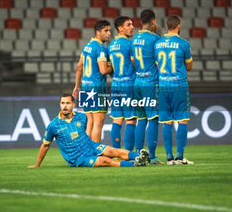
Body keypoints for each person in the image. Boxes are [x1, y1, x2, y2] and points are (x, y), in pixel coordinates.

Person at [28, 94, 150, 168]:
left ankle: (141, 157)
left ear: (73, 104)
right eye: (62, 103)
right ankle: (135, 164)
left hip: (90, 146)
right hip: (78, 158)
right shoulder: (53, 125)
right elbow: (45, 145)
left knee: (113, 150)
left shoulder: (82, 117)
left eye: (68, 103)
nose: (65, 106)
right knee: (105, 160)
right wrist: (37, 164)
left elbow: (84, 132)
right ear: (60, 104)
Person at [154, 15, 194, 165]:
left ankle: (169, 158)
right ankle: (180, 157)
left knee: (167, 122)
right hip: (179, 86)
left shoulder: (157, 44)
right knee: (182, 120)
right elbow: (189, 67)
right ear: (178, 26)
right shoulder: (183, 43)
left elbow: (158, 64)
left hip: (163, 86)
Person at [73, 20, 113, 143]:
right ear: (97, 32)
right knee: (98, 123)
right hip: (97, 88)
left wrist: (77, 85)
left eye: (109, 30)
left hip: (86, 87)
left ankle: (86, 152)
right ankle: (96, 153)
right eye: (106, 31)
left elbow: (79, 67)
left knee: (89, 122)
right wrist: (113, 66)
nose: (109, 33)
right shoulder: (101, 48)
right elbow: (103, 70)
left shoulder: (87, 46)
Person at [131, 10, 162, 164]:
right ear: (153, 21)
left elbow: (133, 60)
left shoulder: (135, 38)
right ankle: (152, 156)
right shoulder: (155, 38)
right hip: (150, 83)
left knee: (141, 119)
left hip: (137, 82)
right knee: (153, 118)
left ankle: (138, 154)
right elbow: (160, 58)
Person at [107, 16, 136, 151]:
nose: (132, 27)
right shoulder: (130, 44)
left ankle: (116, 152)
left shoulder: (110, 46)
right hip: (129, 84)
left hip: (115, 85)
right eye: (128, 25)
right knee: (131, 119)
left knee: (117, 119)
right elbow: (135, 64)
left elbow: (110, 69)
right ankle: (129, 154)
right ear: (120, 28)